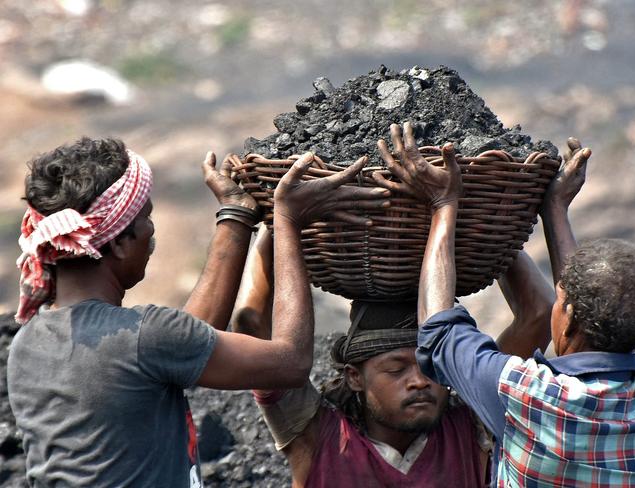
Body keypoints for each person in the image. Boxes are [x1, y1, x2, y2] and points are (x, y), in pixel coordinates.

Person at [6, 137, 390, 487]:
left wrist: (236, 216)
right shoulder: (145, 337)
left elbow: (188, 340)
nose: (152, 235)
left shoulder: (28, 346)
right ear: (120, 244)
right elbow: (290, 362)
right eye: (146, 220)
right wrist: (287, 221)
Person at [388, 120, 635, 486]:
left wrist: (443, 203)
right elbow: (578, 302)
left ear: (570, 317)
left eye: (562, 301)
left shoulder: (527, 396)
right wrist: (554, 208)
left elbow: (439, 331)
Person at [232, 218, 554, 485]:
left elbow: (540, 313)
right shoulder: (317, 438)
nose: (420, 381)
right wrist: (275, 221)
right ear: (355, 377)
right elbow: (249, 323)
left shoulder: (472, 425)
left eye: (432, 369)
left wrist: (488, 227)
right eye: (397, 368)